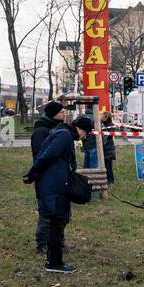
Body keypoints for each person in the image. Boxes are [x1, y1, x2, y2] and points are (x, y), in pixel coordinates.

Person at [24, 115, 92, 273]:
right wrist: (33, 172)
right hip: (55, 185)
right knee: (57, 221)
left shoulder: (62, 133)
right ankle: (54, 262)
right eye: (86, 132)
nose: (85, 136)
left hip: (56, 183)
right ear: (80, 128)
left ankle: (54, 260)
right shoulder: (64, 135)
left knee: (58, 221)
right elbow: (49, 155)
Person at [29, 101, 66, 255]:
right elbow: (40, 156)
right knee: (46, 212)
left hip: (60, 177)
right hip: (45, 178)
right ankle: (42, 244)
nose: (64, 114)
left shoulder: (59, 129)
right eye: (61, 111)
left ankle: (58, 242)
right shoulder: (41, 131)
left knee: (61, 213)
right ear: (53, 113)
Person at [101, 114, 117, 184]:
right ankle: (108, 179)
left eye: (102, 116)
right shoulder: (104, 124)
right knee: (107, 165)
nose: (101, 117)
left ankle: (110, 180)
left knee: (108, 165)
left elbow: (109, 136)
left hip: (108, 147)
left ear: (106, 117)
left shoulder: (109, 125)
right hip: (108, 147)